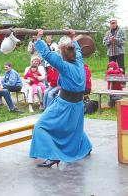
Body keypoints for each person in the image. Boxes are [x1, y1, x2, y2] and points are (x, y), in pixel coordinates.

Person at [30, 29, 92, 168]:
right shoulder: (80, 62)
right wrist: (73, 37)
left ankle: (52, 156)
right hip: (77, 105)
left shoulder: (64, 66)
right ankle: (85, 147)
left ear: (62, 55)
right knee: (74, 129)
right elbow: (78, 50)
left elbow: (46, 54)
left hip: (64, 105)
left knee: (40, 126)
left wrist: (38, 39)